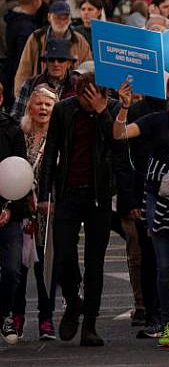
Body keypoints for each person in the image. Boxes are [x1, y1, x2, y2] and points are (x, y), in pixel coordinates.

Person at [38, 72, 125, 347]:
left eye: (94, 97)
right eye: (84, 96)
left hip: (99, 194)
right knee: (62, 255)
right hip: (68, 191)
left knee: (95, 262)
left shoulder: (110, 109)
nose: (89, 102)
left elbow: (118, 145)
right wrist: (44, 194)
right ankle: (74, 302)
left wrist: (101, 112)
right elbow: (51, 150)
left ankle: (90, 324)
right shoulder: (64, 110)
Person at [113, 74, 169, 351]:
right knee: (164, 267)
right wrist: (123, 107)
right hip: (156, 198)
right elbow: (120, 134)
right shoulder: (155, 120)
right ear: (168, 93)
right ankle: (168, 321)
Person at [10, 84, 57, 342]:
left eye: (48, 105)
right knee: (18, 267)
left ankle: (46, 320)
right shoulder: (20, 133)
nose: (43, 108)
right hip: (21, 211)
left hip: (47, 212)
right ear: (29, 106)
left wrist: (53, 201)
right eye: (38, 103)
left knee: (44, 270)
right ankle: (17, 317)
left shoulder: (57, 137)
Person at [0, 82, 28, 345]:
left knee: (11, 270)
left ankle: (4, 313)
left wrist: (10, 210)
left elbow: (20, 173)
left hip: (8, 213)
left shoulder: (12, 131)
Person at [14, 0, 92, 92]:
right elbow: (24, 69)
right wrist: (20, 93)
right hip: (39, 92)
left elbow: (88, 70)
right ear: (49, 17)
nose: (62, 22)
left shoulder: (79, 41)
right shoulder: (36, 38)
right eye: (58, 18)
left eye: (65, 18)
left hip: (70, 93)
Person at [11, 38, 77, 121]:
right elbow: (16, 117)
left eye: (61, 60)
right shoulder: (30, 84)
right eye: (51, 59)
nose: (56, 64)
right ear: (46, 62)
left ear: (69, 63)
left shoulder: (77, 86)